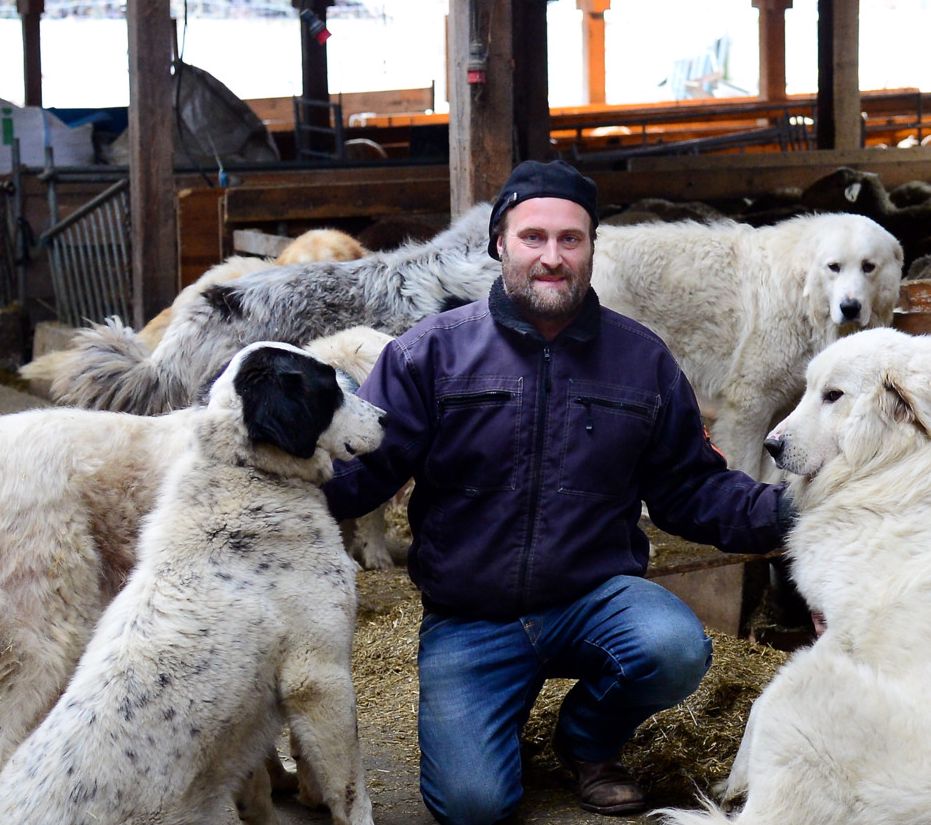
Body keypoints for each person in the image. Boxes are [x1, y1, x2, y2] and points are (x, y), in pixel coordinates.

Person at [324, 159, 794, 824]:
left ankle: (587, 741)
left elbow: (689, 488)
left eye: (570, 239)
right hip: (470, 616)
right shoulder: (429, 353)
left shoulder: (640, 359)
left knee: (671, 644)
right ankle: (492, 713)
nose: (552, 257)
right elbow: (360, 470)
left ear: (591, 248)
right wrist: (270, 479)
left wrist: (792, 513)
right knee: (473, 805)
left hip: (593, 598)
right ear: (499, 244)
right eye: (532, 237)